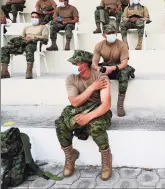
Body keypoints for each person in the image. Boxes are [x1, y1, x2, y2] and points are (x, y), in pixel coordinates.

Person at [55, 50, 113, 181]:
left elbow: (106, 105)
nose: (73, 65)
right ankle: (70, 155)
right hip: (80, 108)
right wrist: (92, 87)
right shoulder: (71, 78)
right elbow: (74, 102)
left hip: (99, 110)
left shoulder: (101, 77)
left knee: (95, 126)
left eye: (76, 63)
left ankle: (106, 158)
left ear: (85, 64)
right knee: (60, 123)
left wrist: (87, 117)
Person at [92, 24, 135, 117]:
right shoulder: (99, 45)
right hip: (106, 66)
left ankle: (120, 104)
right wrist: (98, 68)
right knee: (91, 71)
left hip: (118, 67)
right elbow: (94, 62)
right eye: (109, 33)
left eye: (113, 32)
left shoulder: (122, 45)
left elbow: (124, 63)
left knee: (124, 73)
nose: (112, 35)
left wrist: (113, 68)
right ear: (104, 35)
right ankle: (96, 101)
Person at [1, 12, 48, 79]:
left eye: (35, 17)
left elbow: (45, 38)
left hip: (34, 43)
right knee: (4, 48)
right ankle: (4, 71)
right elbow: (21, 37)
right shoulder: (27, 27)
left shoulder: (43, 27)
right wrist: (24, 38)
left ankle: (29, 71)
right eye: (32, 17)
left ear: (39, 19)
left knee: (29, 47)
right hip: (23, 43)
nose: (33, 18)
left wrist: (33, 37)